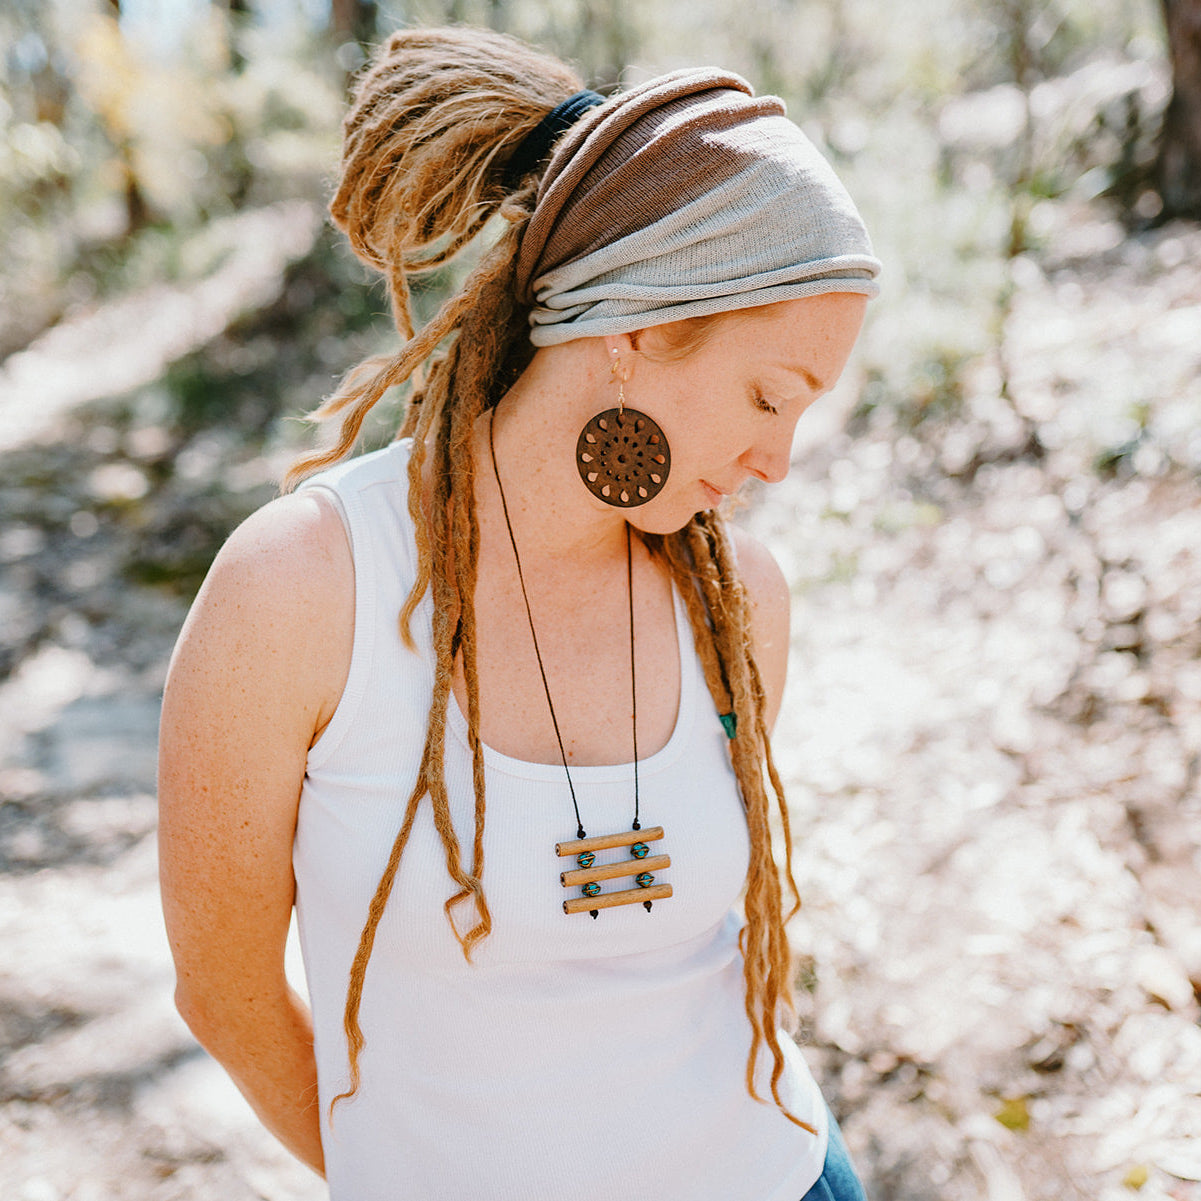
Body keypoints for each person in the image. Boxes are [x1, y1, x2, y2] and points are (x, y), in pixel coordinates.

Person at [157, 25, 880, 1201]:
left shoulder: (740, 599)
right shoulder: (301, 588)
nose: (778, 459)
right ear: (643, 323)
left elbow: (728, 958)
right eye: (767, 395)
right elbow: (224, 991)